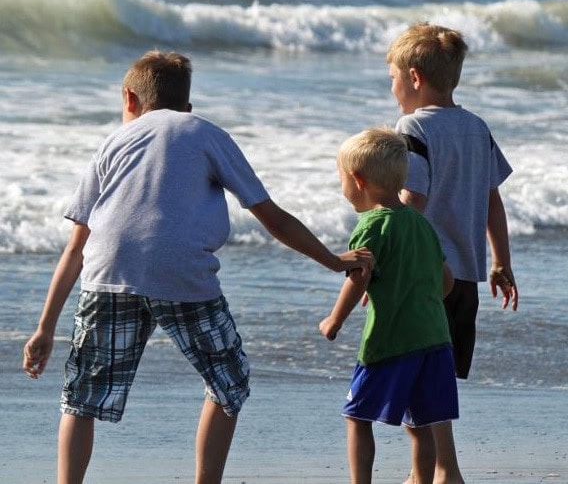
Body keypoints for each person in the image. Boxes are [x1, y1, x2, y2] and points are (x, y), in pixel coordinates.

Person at [22, 50, 374, 484]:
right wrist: (332, 260)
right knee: (229, 382)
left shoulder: (111, 143)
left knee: (81, 399)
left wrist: (44, 328)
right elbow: (273, 217)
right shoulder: (204, 132)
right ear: (187, 107)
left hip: (107, 275)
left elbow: (76, 247)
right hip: (182, 275)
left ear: (129, 99)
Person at [387, 22, 519, 483]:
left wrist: (385, 258)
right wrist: (500, 260)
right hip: (464, 277)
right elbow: (492, 197)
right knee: (436, 377)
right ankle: (432, 471)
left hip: (424, 275)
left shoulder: (412, 127)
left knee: (414, 375)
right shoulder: (475, 127)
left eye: (393, 77)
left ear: (415, 77)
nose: (393, 87)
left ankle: (444, 470)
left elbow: (412, 202)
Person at [319, 127, 458, 484]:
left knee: (357, 417)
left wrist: (333, 320)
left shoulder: (372, 226)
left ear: (358, 180)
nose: (342, 188)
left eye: (341, 180)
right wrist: (412, 297)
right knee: (421, 423)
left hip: (390, 341)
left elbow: (358, 276)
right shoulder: (421, 224)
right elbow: (446, 281)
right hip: (434, 340)